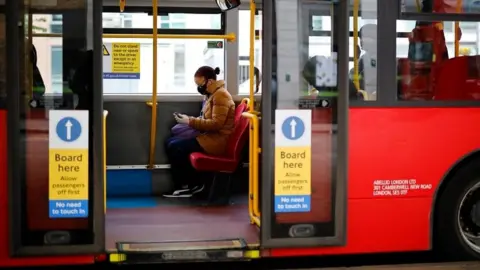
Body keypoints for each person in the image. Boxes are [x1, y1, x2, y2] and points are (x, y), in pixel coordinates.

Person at [164, 66, 236, 198]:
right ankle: (183, 185)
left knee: (176, 146)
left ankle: (189, 186)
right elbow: (206, 119)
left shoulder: (221, 96)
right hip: (209, 137)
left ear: (209, 81)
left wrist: (190, 122)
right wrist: (188, 119)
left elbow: (216, 124)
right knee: (170, 142)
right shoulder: (211, 95)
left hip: (217, 141)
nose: (199, 88)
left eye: (200, 84)